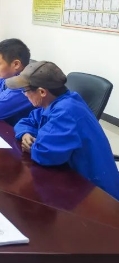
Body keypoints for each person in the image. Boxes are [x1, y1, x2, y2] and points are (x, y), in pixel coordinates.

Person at [7, 61, 119, 201]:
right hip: (77, 182)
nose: (25, 95)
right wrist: (25, 133)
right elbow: (25, 122)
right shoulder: (55, 103)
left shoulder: (66, 112)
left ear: (42, 92)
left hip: (98, 196)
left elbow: (45, 154)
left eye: (25, 91)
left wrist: (31, 147)